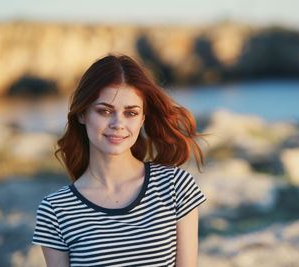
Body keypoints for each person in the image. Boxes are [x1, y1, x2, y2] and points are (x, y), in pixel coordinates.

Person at [32, 54, 206, 267]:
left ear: (143, 118)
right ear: (81, 114)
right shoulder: (55, 210)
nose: (118, 123)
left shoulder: (175, 186)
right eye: (104, 111)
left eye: (131, 113)